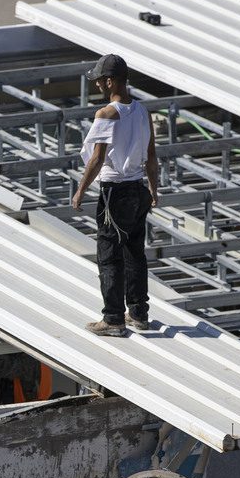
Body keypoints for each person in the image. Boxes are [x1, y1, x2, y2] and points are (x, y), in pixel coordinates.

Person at [70, 54, 160, 338]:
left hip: (114, 192)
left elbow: (97, 159)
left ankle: (112, 319)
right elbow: (151, 156)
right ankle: (138, 313)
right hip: (137, 189)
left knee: (109, 255)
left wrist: (80, 190)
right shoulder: (143, 112)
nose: (98, 85)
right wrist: (154, 190)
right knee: (135, 252)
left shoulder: (106, 114)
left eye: (99, 81)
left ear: (110, 81)